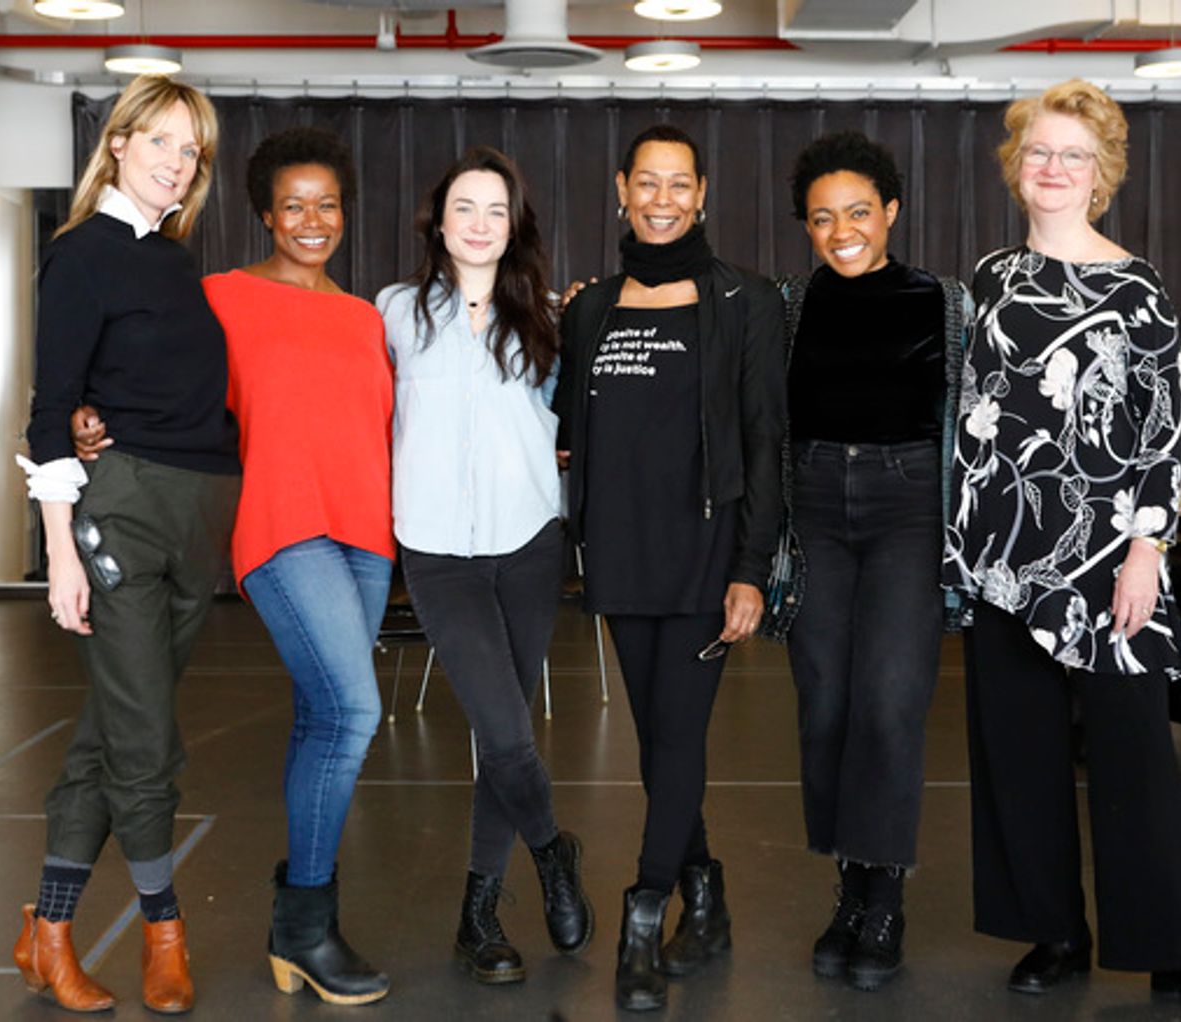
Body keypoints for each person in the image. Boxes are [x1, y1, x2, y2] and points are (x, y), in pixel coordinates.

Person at [944, 79, 1181, 1019]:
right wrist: (963, 550)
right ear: (1017, 166)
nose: (1053, 167)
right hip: (1006, 555)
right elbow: (974, 417)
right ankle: (1054, 932)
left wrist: (1148, 551)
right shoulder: (989, 276)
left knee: (1136, 761)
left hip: (1109, 558)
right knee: (1020, 755)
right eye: (1039, 151)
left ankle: (1175, 955)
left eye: (1072, 155)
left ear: (1100, 173)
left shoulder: (1137, 286)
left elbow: (1160, 432)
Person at [72, 127, 396, 1006]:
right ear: (265, 213)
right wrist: (90, 413)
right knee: (355, 711)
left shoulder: (366, 317)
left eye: (327, 204)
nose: (312, 220)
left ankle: (296, 936)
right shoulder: (221, 297)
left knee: (323, 717)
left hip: (367, 535)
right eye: (293, 205)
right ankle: (305, 923)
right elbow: (151, 376)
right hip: (282, 528)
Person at [12, 75, 240, 1015]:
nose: (176, 164)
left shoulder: (173, 261)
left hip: (197, 521)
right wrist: (61, 554)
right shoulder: (81, 256)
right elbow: (51, 412)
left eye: (191, 151)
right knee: (145, 742)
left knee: (112, 730)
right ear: (118, 143)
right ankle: (164, 931)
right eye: (160, 142)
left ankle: (48, 933)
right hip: (126, 516)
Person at [555, 124, 785, 1012]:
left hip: (704, 557)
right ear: (622, 190)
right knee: (657, 742)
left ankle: (644, 914)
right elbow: (570, 430)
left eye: (678, 184)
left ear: (701, 195)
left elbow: (764, 440)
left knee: (681, 736)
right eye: (646, 183)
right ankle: (707, 894)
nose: (662, 200)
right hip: (619, 552)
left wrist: (751, 566)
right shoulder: (591, 309)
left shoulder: (744, 299)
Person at [376, 145, 592, 987]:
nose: (479, 223)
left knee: (504, 741)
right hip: (437, 551)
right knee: (502, 733)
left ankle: (478, 915)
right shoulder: (394, 313)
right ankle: (552, 851)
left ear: (514, 226)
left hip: (529, 544)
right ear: (438, 222)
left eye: (495, 210)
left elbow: (575, 422)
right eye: (464, 207)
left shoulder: (548, 316)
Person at [768, 130, 970, 991]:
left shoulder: (945, 303)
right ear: (806, 227)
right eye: (823, 218)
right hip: (814, 505)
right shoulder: (785, 305)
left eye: (858, 212)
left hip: (907, 507)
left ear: (891, 211)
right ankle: (848, 892)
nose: (842, 231)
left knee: (888, 703)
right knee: (826, 705)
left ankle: (884, 901)